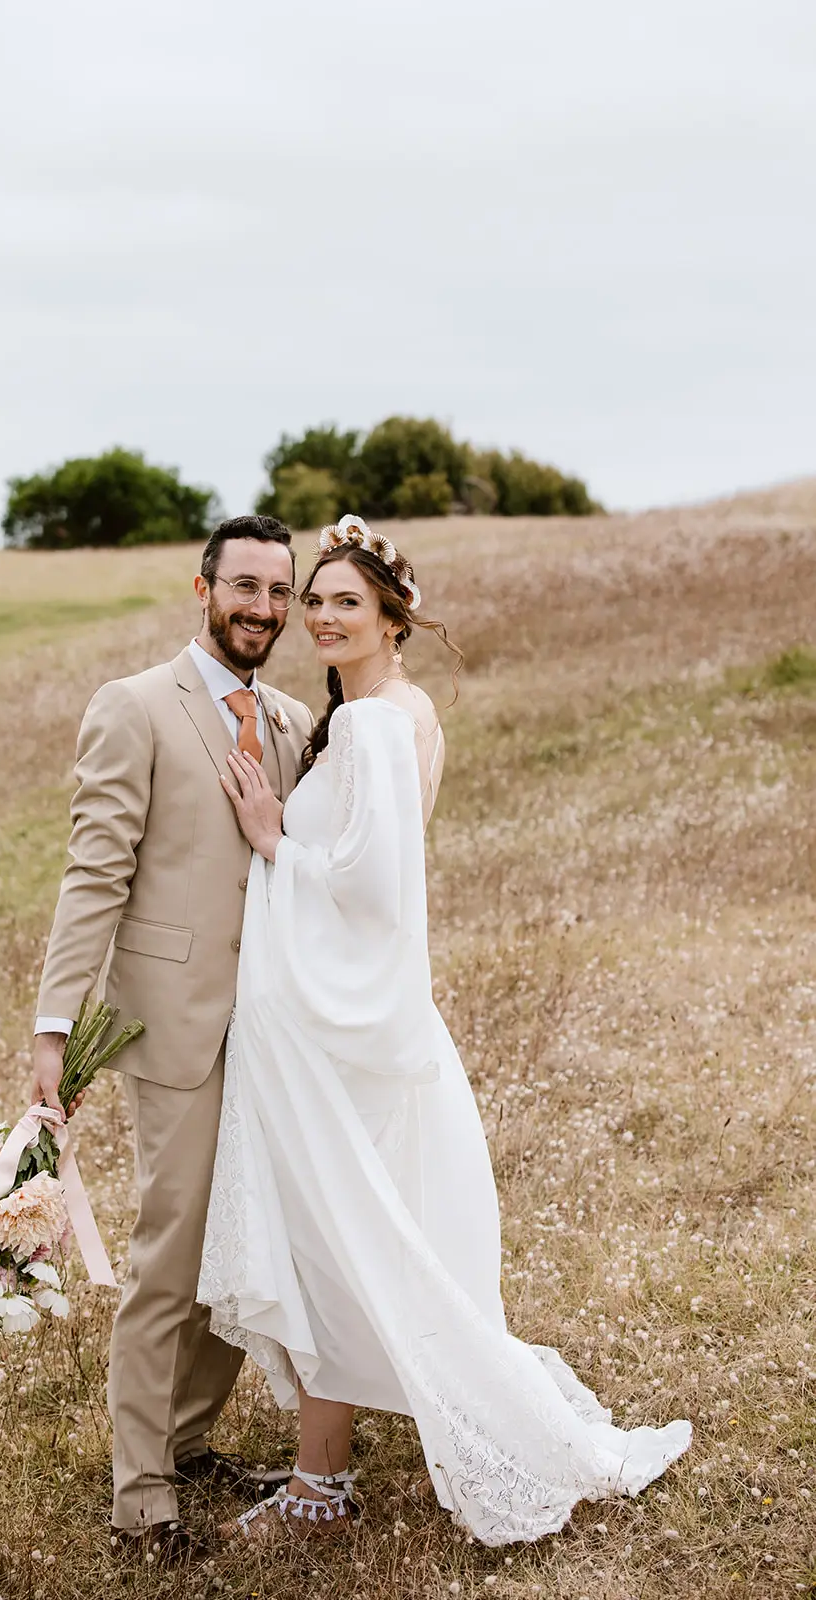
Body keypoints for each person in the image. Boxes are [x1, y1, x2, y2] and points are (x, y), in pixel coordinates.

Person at [198, 514, 692, 1547]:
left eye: (346, 602)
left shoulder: (376, 724)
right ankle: (322, 1473)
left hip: (338, 1033)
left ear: (392, 619)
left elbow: (372, 892)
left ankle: (324, 1483)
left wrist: (267, 839)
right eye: (315, 601)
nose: (321, 618)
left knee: (340, 1241)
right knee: (350, 1238)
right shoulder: (393, 712)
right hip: (342, 1028)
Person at [30, 515, 313, 1561]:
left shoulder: (288, 721)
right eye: (245, 587)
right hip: (175, 1029)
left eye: (279, 593)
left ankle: (189, 1442)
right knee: (170, 1254)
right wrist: (54, 1027)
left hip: (277, 1038)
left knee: (240, 1246)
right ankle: (140, 1493)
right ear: (201, 589)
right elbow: (94, 872)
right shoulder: (135, 707)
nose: (263, 609)